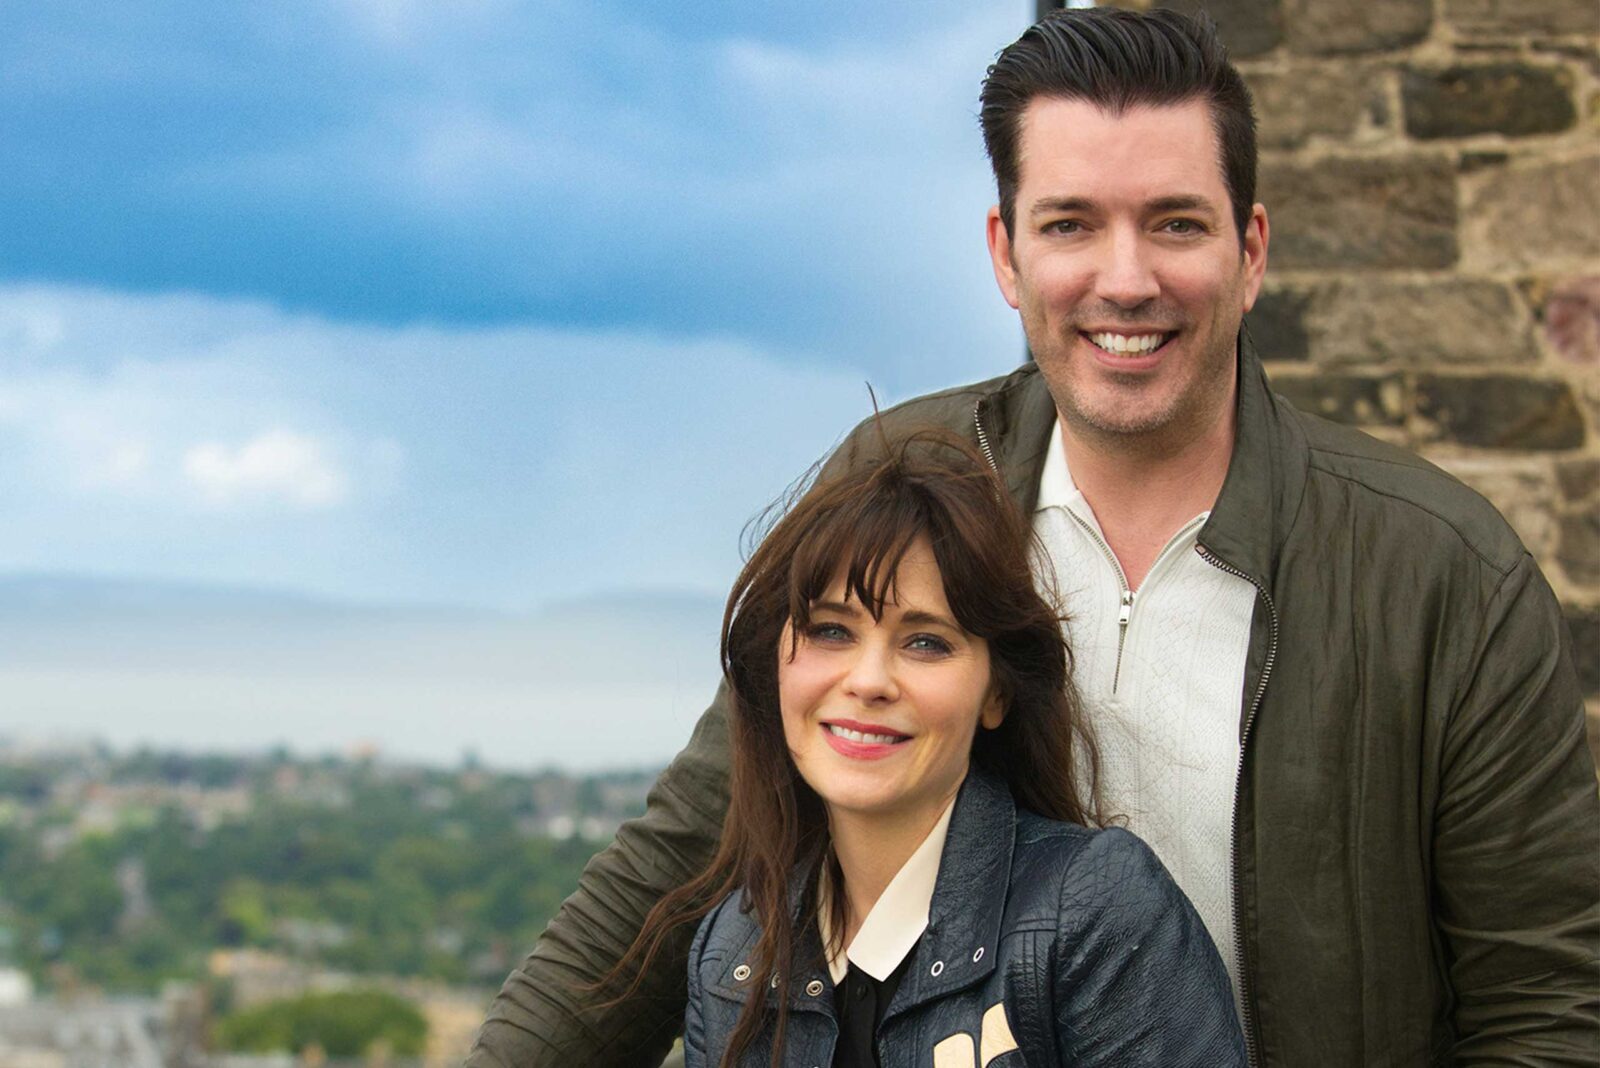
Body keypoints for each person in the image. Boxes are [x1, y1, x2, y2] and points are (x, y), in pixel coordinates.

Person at [468, 9, 1600, 1066]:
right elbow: (681, 869)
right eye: (1071, 225)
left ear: (1250, 251)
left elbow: (1547, 1005)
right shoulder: (900, 484)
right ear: (1006, 254)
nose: (1125, 279)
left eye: (1175, 224)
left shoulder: (1439, 573)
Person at [623, 438, 1245, 1066]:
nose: (868, 681)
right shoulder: (731, 954)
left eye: (925, 643)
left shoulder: (1093, 912)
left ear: (995, 691)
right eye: (831, 631)